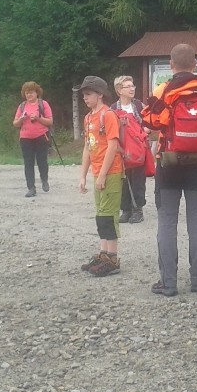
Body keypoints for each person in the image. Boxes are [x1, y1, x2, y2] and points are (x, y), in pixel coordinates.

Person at [141, 43, 197, 297]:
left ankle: (168, 283)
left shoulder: (163, 89)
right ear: (195, 64)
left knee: (167, 221)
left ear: (171, 64)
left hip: (169, 162)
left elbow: (150, 120)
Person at [78, 76, 124, 276]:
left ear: (100, 94)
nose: (85, 98)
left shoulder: (108, 115)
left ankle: (112, 258)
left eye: (88, 94)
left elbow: (113, 145)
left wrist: (103, 174)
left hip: (111, 172)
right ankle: (103, 254)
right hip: (98, 172)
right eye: (84, 95)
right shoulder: (88, 118)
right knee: (100, 214)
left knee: (109, 214)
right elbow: (87, 147)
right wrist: (83, 175)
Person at [112, 75, 148, 223]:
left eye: (133, 86)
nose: (132, 89)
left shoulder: (139, 106)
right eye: (128, 86)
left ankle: (138, 209)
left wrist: (144, 132)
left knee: (138, 179)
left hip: (138, 149)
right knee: (123, 179)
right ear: (119, 90)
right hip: (121, 149)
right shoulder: (113, 109)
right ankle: (126, 209)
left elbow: (149, 124)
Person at [13, 81, 54, 197]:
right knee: (28, 163)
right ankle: (31, 188)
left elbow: (50, 121)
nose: (29, 95)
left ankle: (44, 180)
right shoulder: (22, 106)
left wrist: (38, 118)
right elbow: (15, 123)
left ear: (37, 93)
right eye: (27, 93)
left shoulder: (43, 104)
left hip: (41, 137)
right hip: (25, 138)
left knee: (42, 161)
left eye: (31, 92)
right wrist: (21, 119)